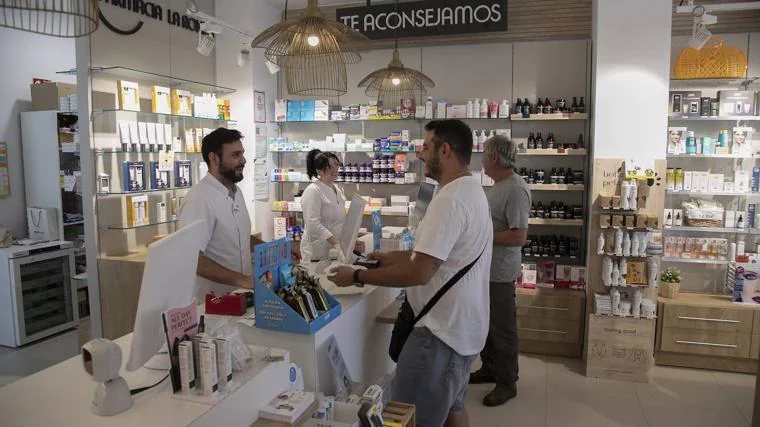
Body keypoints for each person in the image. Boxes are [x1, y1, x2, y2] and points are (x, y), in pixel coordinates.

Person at [329, 119, 493, 427]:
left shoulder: (450, 199)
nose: (419, 153)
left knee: (412, 418)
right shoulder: (471, 190)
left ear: (444, 150)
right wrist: (388, 257)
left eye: (426, 146)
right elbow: (438, 255)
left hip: (439, 334)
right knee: (454, 409)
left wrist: (357, 276)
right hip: (463, 330)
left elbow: (420, 272)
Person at [178, 128, 300, 300]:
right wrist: (243, 280)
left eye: (242, 154)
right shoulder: (199, 200)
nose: (243, 160)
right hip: (211, 304)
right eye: (235, 155)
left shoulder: (235, 192)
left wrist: (277, 252)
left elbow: (240, 237)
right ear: (214, 158)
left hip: (240, 298)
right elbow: (192, 258)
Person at [469, 134, 531, 407]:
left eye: (484, 154)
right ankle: (490, 368)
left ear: (494, 157)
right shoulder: (497, 186)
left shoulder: (516, 189)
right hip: (487, 270)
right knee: (488, 325)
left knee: (503, 329)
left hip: (501, 273)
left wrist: (482, 234)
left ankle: (508, 382)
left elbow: (519, 237)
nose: (481, 160)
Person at [300, 149, 346, 262]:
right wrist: (335, 242)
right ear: (319, 171)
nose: (335, 169)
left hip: (333, 250)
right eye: (329, 166)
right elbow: (312, 223)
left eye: (336, 164)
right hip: (316, 252)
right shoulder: (313, 191)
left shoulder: (337, 190)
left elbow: (340, 220)